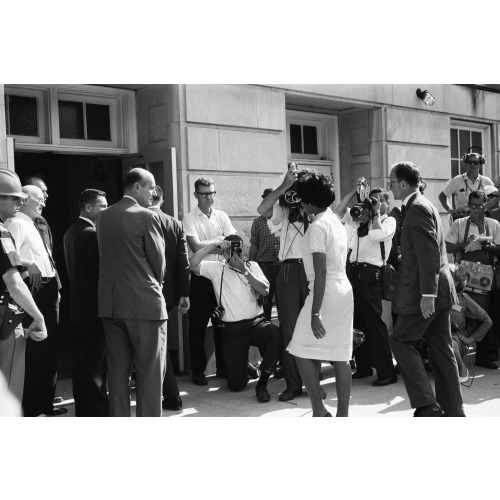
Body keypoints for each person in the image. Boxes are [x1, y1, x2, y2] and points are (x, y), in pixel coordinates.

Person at [388, 161, 464, 417]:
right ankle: (454, 410)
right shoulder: (421, 205)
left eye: (391, 183)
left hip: (428, 293)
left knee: (399, 341)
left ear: (403, 184)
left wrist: (427, 295)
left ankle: (427, 404)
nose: (389, 188)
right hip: (437, 290)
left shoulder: (417, 208)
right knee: (442, 351)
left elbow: (429, 255)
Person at [97, 168, 167, 417]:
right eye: (151, 187)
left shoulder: (103, 217)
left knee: (117, 373)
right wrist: (154, 286)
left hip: (111, 304)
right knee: (149, 372)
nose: (154, 193)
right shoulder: (147, 216)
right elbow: (159, 264)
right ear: (136, 187)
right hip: (144, 304)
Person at [287, 170, 353, 417]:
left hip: (325, 290)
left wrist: (315, 312)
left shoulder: (317, 226)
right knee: (340, 355)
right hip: (344, 289)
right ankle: (340, 415)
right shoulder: (334, 220)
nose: (300, 203)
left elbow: (321, 272)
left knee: (298, 349)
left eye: (303, 199)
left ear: (309, 202)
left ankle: (319, 410)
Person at [189, 235, 281, 402]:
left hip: (256, 323)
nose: (234, 254)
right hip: (232, 330)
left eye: (237, 249)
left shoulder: (252, 266)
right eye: (230, 250)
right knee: (236, 385)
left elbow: (265, 290)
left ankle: (263, 383)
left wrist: (245, 271)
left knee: (275, 333)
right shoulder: (217, 268)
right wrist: (213, 246)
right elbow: (192, 264)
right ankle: (244, 365)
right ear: (224, 252)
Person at [5, 185, 64, 416]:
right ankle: (32, 406)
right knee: (36, 349)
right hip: (33, 289)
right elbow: (9, 256)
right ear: (25, 199)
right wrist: (28, 266)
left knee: (47, 347)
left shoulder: (31, 223)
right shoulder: (16, 223)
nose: (44, 203)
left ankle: (43, 403)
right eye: (38, 199)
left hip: (47, 288)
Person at [257, 163, 310, 402]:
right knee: (289, 330)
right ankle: (293, 384)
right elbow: (262, 208)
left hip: (311, 268)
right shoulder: (284, 208)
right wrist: (285, 187)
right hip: (288, 269)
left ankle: (313, 382)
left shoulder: (315, 208)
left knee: (312, 328)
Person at [335, 182, 397, 386]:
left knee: (374, 324)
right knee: (357, 322)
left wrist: (376, 214)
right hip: (353, 271)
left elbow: (377, 235)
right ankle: (363, 367)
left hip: (371, 274)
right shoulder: (358, 218)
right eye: (372, 201)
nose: (374, 204)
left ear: (387, 203)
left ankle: (387, 372)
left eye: (379, 201)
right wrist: (355, 192)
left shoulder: (388, 221)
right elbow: (337, 212)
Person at [183, 177, 236, 386]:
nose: (209, 198)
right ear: (196, 195)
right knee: (197, 327)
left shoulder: (222, 216)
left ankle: (223, 367)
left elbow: (233, 244)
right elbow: (195, 247)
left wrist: (212, 245)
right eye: (204, 194)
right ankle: (198, 370)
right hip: (200, 278)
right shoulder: (189, 219)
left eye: (212, 193)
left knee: (222, 325)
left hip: (222, 276)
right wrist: (218, 242)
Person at [0, 170, 47, 406]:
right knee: (8, 392)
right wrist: (38, 316)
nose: (20, 202)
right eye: (13, 197)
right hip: (5, 321)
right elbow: (14, 282)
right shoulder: (2, 232)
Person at [63, 189, 109, 417]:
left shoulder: (71, 231)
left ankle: (84, 409)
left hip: (77, 310)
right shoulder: (91, 233)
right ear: (88, 207)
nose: (106, 210)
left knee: (81, 365)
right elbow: (98, 276)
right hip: (93, 311)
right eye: (102, 206)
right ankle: (98, 412)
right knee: (95, 366)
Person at [445, 190, 500, 369]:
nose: (476, 210)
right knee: (458, 314)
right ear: (468, 206)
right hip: (463, 281)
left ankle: (486, 355)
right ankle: (457, 350)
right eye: (473, 206)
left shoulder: (494, 225)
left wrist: (489, 246)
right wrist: (466, 244)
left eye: (480, 206)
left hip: (486, 280)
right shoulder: (459, 224)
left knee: (487, 315)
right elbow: (447, 247)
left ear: (486, 205)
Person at [149, 186, 190, 411]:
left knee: (156, 346)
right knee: (159, 343)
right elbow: (182, 262)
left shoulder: (142, 219)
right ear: (163, 200)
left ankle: (171, 395)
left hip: (148, 292)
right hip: (170, 293)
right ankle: (169, 394)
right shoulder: (174, 223)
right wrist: (184, 293)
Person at [448, 264, 492, 383]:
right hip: (436, 338)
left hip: (455, 340)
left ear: (456, 282)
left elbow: (487, 321)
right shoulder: (433, 298)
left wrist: (471, 339)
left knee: (450, 342)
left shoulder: (463, 299)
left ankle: (462, 368)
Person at [249, 188, 281, 322]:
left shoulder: (284, 219)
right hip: (265, 268)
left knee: (282, 302)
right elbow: (254, 245)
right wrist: (251, 267)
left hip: (281, 267)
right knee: (265, 303)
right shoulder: (258, 222)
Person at [438, 151, 493, 220]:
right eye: (470, 162)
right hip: (462, 218)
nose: (472, 164)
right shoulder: (457, 180)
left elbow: (496, 198)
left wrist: (490, 210)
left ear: (480, 165)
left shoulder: (487, 181)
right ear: (466, 164)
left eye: (475, 162)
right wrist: (451, 210)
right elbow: (442, 196)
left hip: (482, 218)